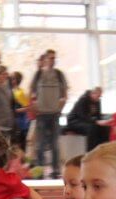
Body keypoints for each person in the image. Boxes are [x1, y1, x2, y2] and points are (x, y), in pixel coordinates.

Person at [29, 50, 68, 179]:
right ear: (44, 59)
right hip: (41, 114)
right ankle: (39, 170)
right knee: (40, 144)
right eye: (50, 58)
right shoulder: (38, 75)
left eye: (54, 58)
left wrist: (60, 107)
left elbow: (65, 93)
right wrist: (35, 107)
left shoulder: (59, 75)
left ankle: (56, 170)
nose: (52, 60)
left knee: (55, 143)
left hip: (54, 114)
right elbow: (31, 92)